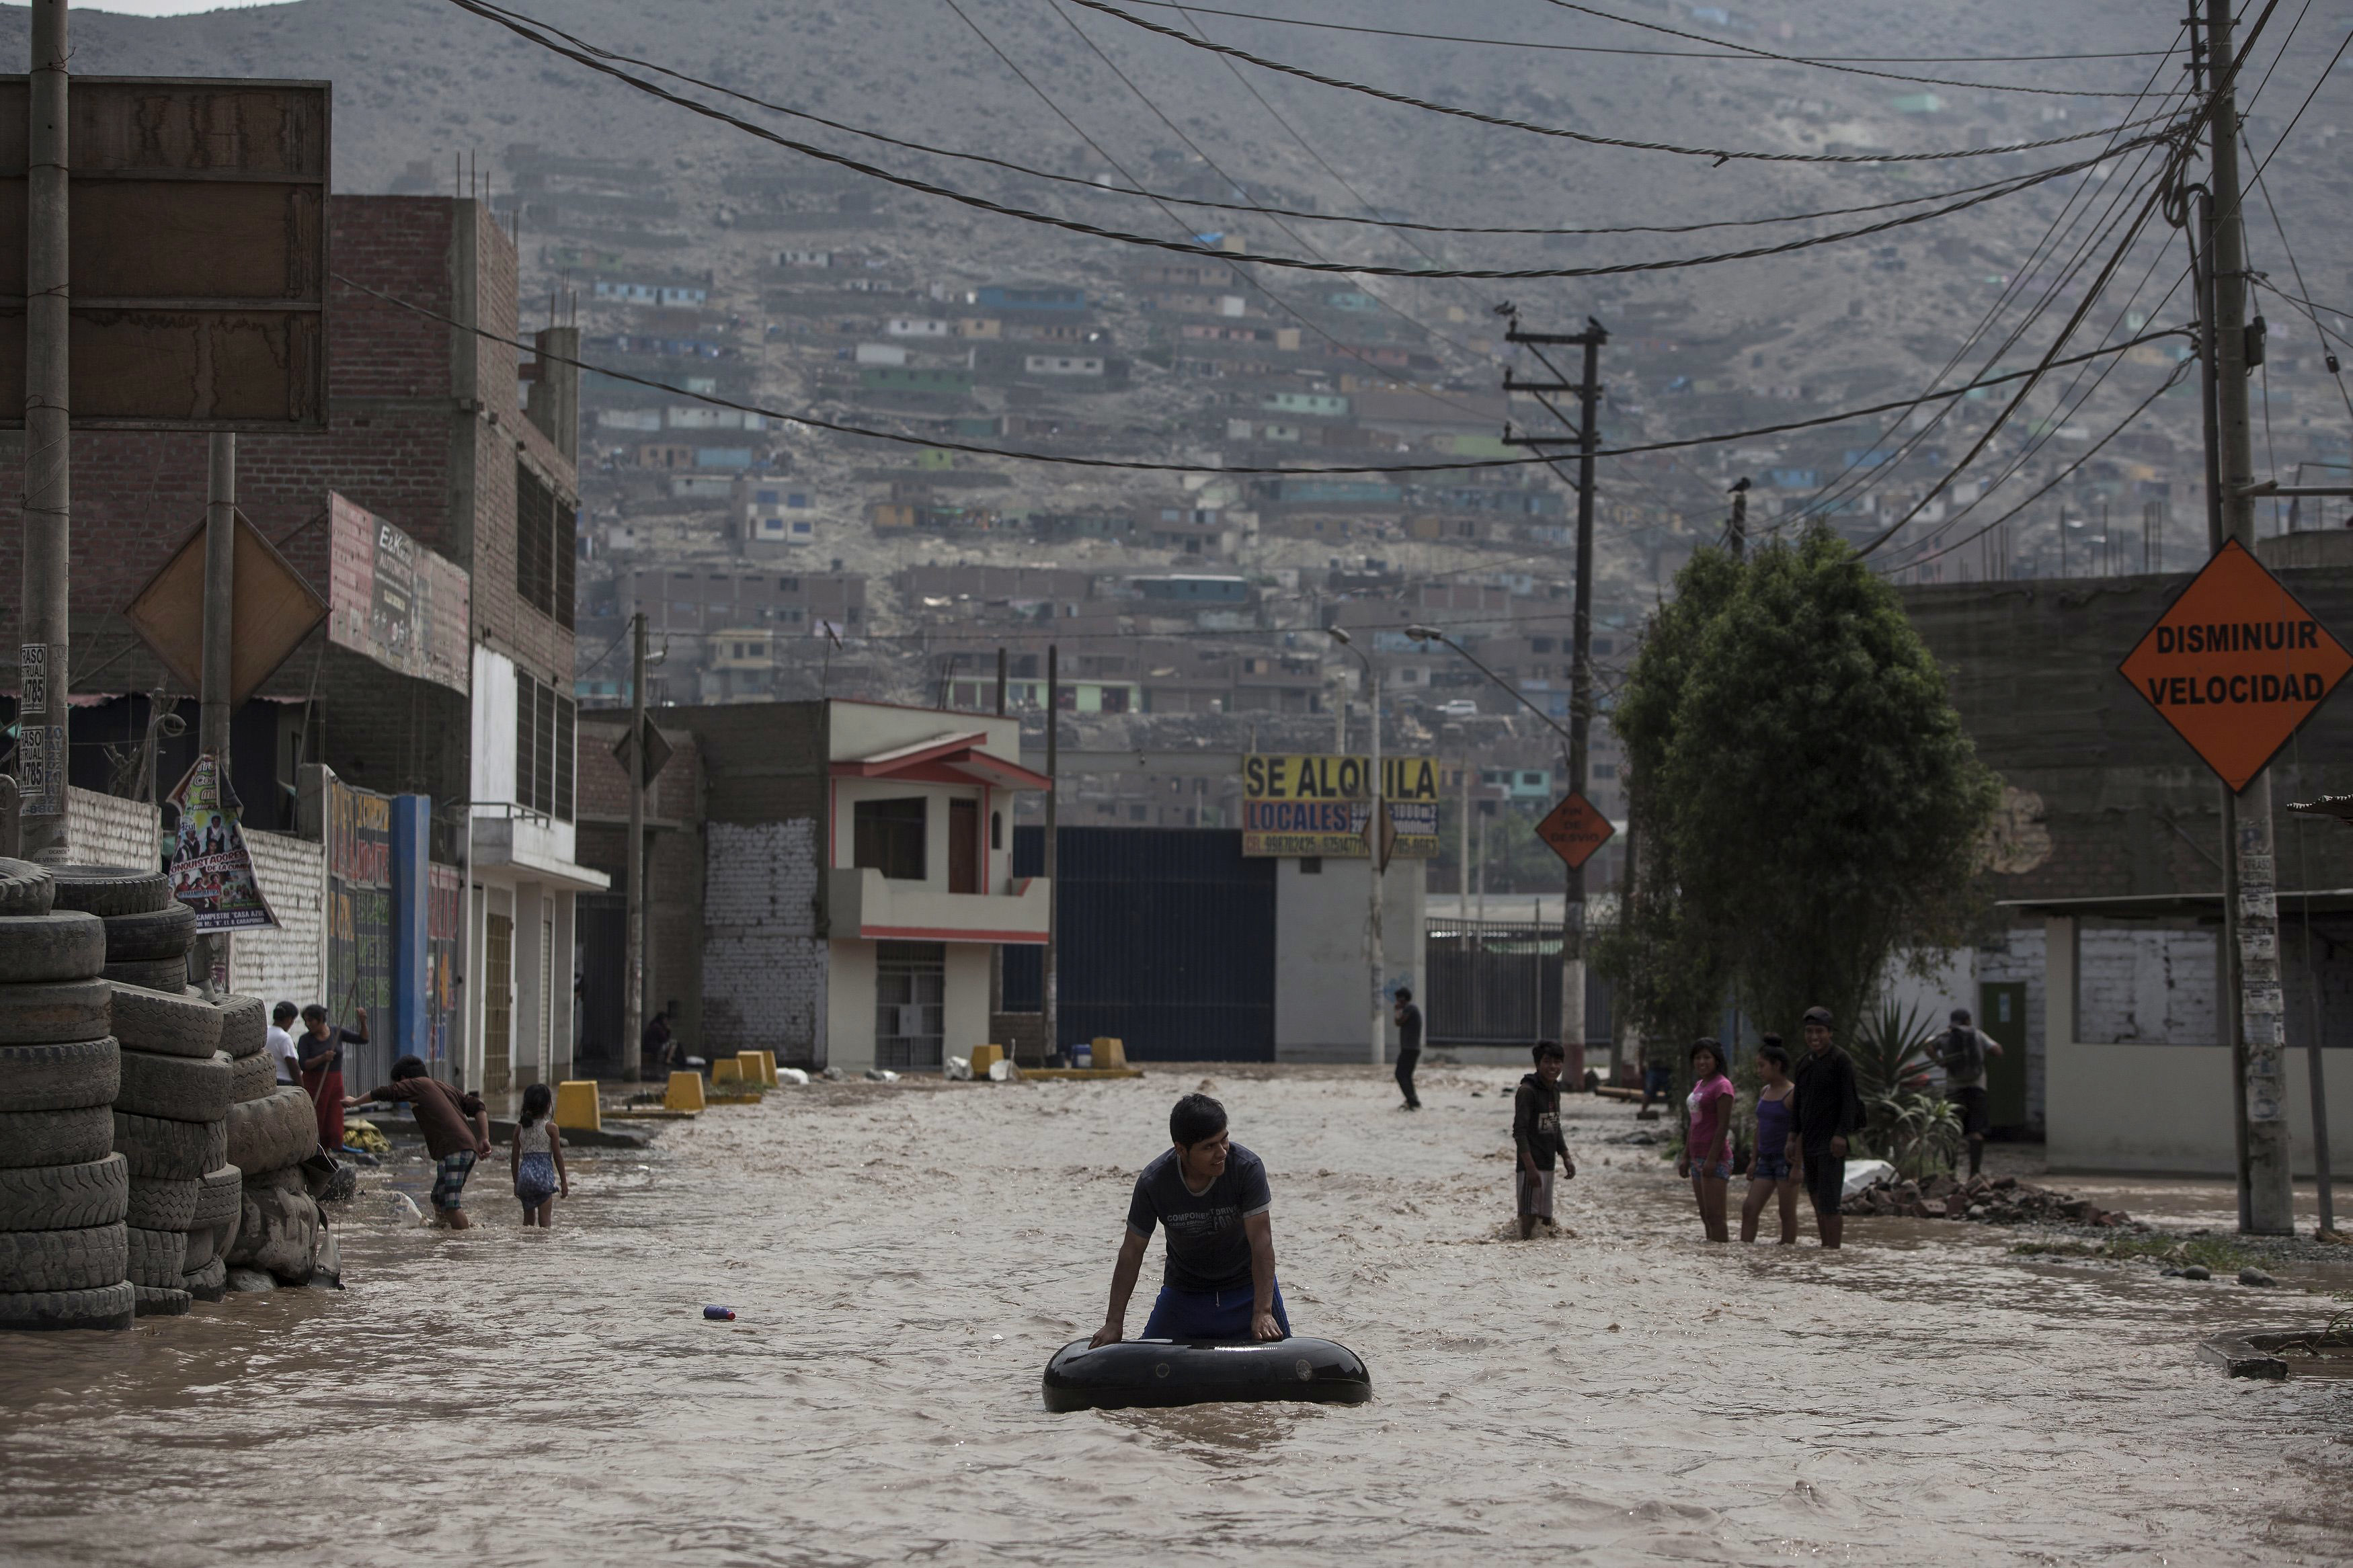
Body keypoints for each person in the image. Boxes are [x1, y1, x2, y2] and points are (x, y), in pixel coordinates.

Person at [1089, 1093, 1287, 1346]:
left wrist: (1263, 1312)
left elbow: (1262, 1243)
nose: (1221, 1153)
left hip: (1247, 1289)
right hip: (1185, 1293)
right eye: (1209, 1147)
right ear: (1181, 1149)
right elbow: (1131, 1252)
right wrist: (1114, 1324)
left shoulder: (1247, 1168)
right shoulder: (1154, 1182)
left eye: (1224, 1140)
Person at [346, 1056, 491, 1229]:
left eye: (400, 1084)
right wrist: (484, 1138)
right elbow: (478, 1106)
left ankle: (461, 1246)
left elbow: (384, 1093)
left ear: (404, 1079)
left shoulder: (417, 1084)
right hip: (458, 1149)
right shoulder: (441, 1086)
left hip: (456, 1149)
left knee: (451, 1205)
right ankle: (442, 1232)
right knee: (437, 1197)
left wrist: (355, 1102)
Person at [1789, 1006, 1863, 1250]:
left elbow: (1850, 1101)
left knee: (1830, 1202)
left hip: (1831, 1142)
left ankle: (1834, 1251)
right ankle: (1825, 1249)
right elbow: (1798, 1103)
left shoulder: (1841, 1060)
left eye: (1819, 1031)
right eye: (1809, 1032)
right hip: (1809, 1141)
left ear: (1830, 1033)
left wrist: (1841, 1134)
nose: (1814, 1037)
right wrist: (1792, 1136)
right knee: (1816, 1199)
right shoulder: (1803, 1063)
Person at [1512, 1041, 1577, 1240]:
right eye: (1548, 1062)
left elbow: (1554, 1126)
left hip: (1549, 1164)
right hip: (1531, 1165)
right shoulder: (1527, 1091)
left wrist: (1566, 1156)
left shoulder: (1554, 1090)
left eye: (1557, 1062)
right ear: (1538, 1064)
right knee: (1528, 1220)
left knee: (1546, 1221)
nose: (1553, 1067)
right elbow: (1519, 1132)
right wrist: (1530, 1167)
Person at [1741, 1038, 1802, 1245]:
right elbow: (1760, 1127)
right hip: (1765, 1161)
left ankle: (1786, 1257)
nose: (1759, 1070)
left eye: (1762, 1065)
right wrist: (1753, 1159)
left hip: (1786, 1161)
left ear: (1776, 1065)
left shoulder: (1793, 1093)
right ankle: (1745, 1251)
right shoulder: (1764, 1091)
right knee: (1749, 1208)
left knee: (1786, 1214)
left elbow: (1800, 1130)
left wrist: (1798, 1165)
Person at [1677, 1038, 1734, 1243]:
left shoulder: (1723, 1086)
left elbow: (1723, 1125)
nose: (1702, 1062)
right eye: (1698, 1058)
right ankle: (1712, 1258)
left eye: (1707, 1057)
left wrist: (1711, 1159)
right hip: (1696, 1157)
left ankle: (1721, 1259)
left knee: (1716, 1217)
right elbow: (1695, 1124)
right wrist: (1685, 1157)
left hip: (1716, 1159)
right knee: (1705, 1215)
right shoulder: (1700, 1085)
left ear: (1716, 1060)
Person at [1937, 1006, 2005, 1178]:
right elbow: (1998, 1051)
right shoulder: (1977, 1034)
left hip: (1953, 1089)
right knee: (1976, 1132)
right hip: (1977, 1088)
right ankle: (1974, 1173)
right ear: (1968, 1020)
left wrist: (1940, 1061)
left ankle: (1950, 1172)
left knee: (1952, 1131)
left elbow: (1927, 1046)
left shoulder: (1946, 1035)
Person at [298, 1003, 366, 1153]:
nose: (308, 1024)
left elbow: (363, 1039)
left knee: (333, 1117)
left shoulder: (337, 1033)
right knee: (316, 1116)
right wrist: (323, 1058)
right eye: (306, 1021)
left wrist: (363, 1021)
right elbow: (304, 1064)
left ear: (321, 1019)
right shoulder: (305, 1040)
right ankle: (313, 1150)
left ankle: (328, 1152)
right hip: (314, 1083)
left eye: (311, 1021)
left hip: (334, 1082)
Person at [510, 1083, 569, 1229]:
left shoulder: (520, 1128)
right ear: (548, 1105)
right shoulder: (551, 1128)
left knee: (528, 1224)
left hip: (525, 1179)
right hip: (543, 1179)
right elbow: (558, 1157)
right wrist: (564, 1182)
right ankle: (542, 1252)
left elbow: (514, 1158)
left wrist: (516, 1183)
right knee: (545, 1225)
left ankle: (527, 1250)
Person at [1392, 987, 1423, 1111]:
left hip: (1410, 1048)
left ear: (1403, 998)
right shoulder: (1410, 1009)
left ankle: (1412, 1100)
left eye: (1399, 999)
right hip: (1411, 1048)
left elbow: (1399, 1022)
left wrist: (1398, 1010)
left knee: (1400, 1074)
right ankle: (1412, 1100)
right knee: (1406, 1075)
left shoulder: (1410, 1008)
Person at [266, 1001, 302, 1088]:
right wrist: (302, 1088)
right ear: (289, 1019)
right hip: (284, 1082)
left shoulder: (265, 1031)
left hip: (268, 1080)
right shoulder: (284, 1037)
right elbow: (294, 1067)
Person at [1638, 1040, 1672, 1120]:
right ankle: (1643, 1111)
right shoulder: (1648, 1031)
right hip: (1653, 1066)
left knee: (1670, 1090)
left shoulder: (1672, 1029)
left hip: (1668, 1067)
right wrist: (1640, 1064)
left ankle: (1672, 1110)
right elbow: (1642, 1048)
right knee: (1649, 1090)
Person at [641, 1008, 675, 1077]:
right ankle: (668, 1060)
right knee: (674, 1044)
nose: (666, 1022)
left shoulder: (653, 1025)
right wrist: (668, 1031)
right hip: (653, 1047)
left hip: (650, 1046)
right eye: (666, 1020)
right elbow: (665, 1039)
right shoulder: (657, 1027)